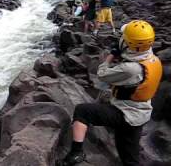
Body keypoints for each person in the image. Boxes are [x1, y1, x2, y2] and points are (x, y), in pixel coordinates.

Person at [62, 20, 163, 166]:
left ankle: (77, 152)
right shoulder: (153, 59)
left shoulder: (131, 69)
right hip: (141, 114)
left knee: (82, 111)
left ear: (128, 43)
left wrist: (111, 55)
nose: (121, 38)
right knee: (129, 159)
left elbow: (102, 74)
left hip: (125, 114)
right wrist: (125, 52)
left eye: (123, 37)